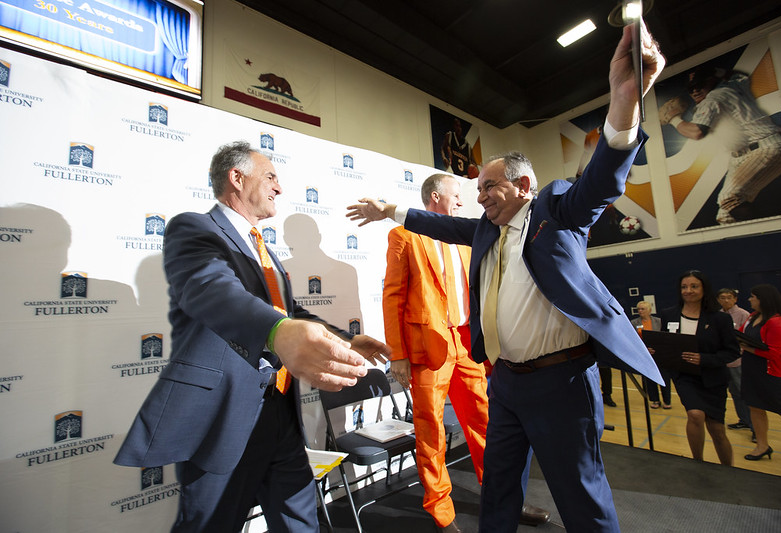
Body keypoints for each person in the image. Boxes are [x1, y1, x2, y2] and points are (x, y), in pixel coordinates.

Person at [347, 21, 666, 533]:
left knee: (579, 495)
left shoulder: (557, 210)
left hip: (561, 382)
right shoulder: (487, 232)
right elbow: (441, 222)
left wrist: (625, 101)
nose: (481, 196)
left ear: (523, 184)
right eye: (477, 190)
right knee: (497, 485)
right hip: (507, 384)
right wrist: (389, 209)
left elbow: (603, 178)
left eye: (489, 186)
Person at [114, 141, 390, 532]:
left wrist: (345, 339)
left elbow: (291, 315)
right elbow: (213, 290)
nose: (280, 188)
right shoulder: (194, 227)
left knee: (301, 521)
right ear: (237, 177)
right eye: (271, 177)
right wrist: (277, 330)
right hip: (225, 417)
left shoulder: (264, 248)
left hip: (281, 413)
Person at [383, 173, 549, 532]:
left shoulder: (468, 238)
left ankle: (504, 499)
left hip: (468, 345)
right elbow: (393, 295)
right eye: (456, 195)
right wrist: (397, 354)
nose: (463, 201)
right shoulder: (403, 235)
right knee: (431, 432)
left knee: (487, 426)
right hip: (427, 349)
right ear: (434, 197)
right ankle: (441, 511)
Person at [664, 65, 781, 225]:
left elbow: (696, 132)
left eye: (700, 85)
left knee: (728, 198)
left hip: (765, 148)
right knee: (725, 216)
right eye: (691, 88)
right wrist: (716, 71)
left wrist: (673, 118)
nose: (695, 91)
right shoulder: (733, 85)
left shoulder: (712, 100)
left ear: (711, 82)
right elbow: (738, 76)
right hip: (746, 153)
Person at [658, 271, 739, 466]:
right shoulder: (669, 314)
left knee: (717, 429)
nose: (688, 291)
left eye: (694, 286)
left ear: (704, 289)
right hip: (684, 376)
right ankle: (697, 464)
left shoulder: (720, 319)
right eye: (684, 287)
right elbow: (664, 343)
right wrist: (655, 350)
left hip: (713, 379)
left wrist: (704, 359)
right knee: (695, 415)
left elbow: (732, 352)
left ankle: (729, 470)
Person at [739, 284, 781, 461]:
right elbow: (742, 334)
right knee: (755, 407)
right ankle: (762, 446)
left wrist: (746, 348)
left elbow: (774, 353)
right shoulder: (753, 316)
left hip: (772, 374)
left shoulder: (779, 322)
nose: (750, 299)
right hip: (752, 371)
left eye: (752, 297)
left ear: (762, 299)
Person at [717, 288, 752, 432]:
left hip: (738, 361)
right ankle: (743, 420)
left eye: (729, 297)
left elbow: (747, 338)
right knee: (734, 392)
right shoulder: (718, 315)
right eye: (723, 297)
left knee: (744, 392)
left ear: (735, 299)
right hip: (723, 361)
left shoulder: (743, 314)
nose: (726, 300)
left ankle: (754, 427)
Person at [631, 301, 669, 409]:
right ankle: (655, 400)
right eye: (639, 309)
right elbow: (634, 340)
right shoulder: (634, 323)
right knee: (649, 379)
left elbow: (664, 337)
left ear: (649, 310)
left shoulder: (659, 321)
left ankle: (667, 400)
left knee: (664, 377)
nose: (640, 311)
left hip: (659, 354)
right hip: (645, 355)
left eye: (643, 309)